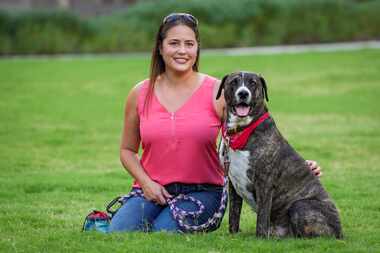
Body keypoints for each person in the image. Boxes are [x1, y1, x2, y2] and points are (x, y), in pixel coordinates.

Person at [109, 13, 322, 233]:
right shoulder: (139, 93)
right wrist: (146, 183)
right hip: (151, 189)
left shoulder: (218, 91)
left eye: (189, 44)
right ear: (160, 48)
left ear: (197, 49)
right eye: (174, 43)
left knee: (164, 232)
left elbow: (255, 137)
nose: (182, 51)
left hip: (203, 191)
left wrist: (296, 168)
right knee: (120, 231)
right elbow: (127, 150)